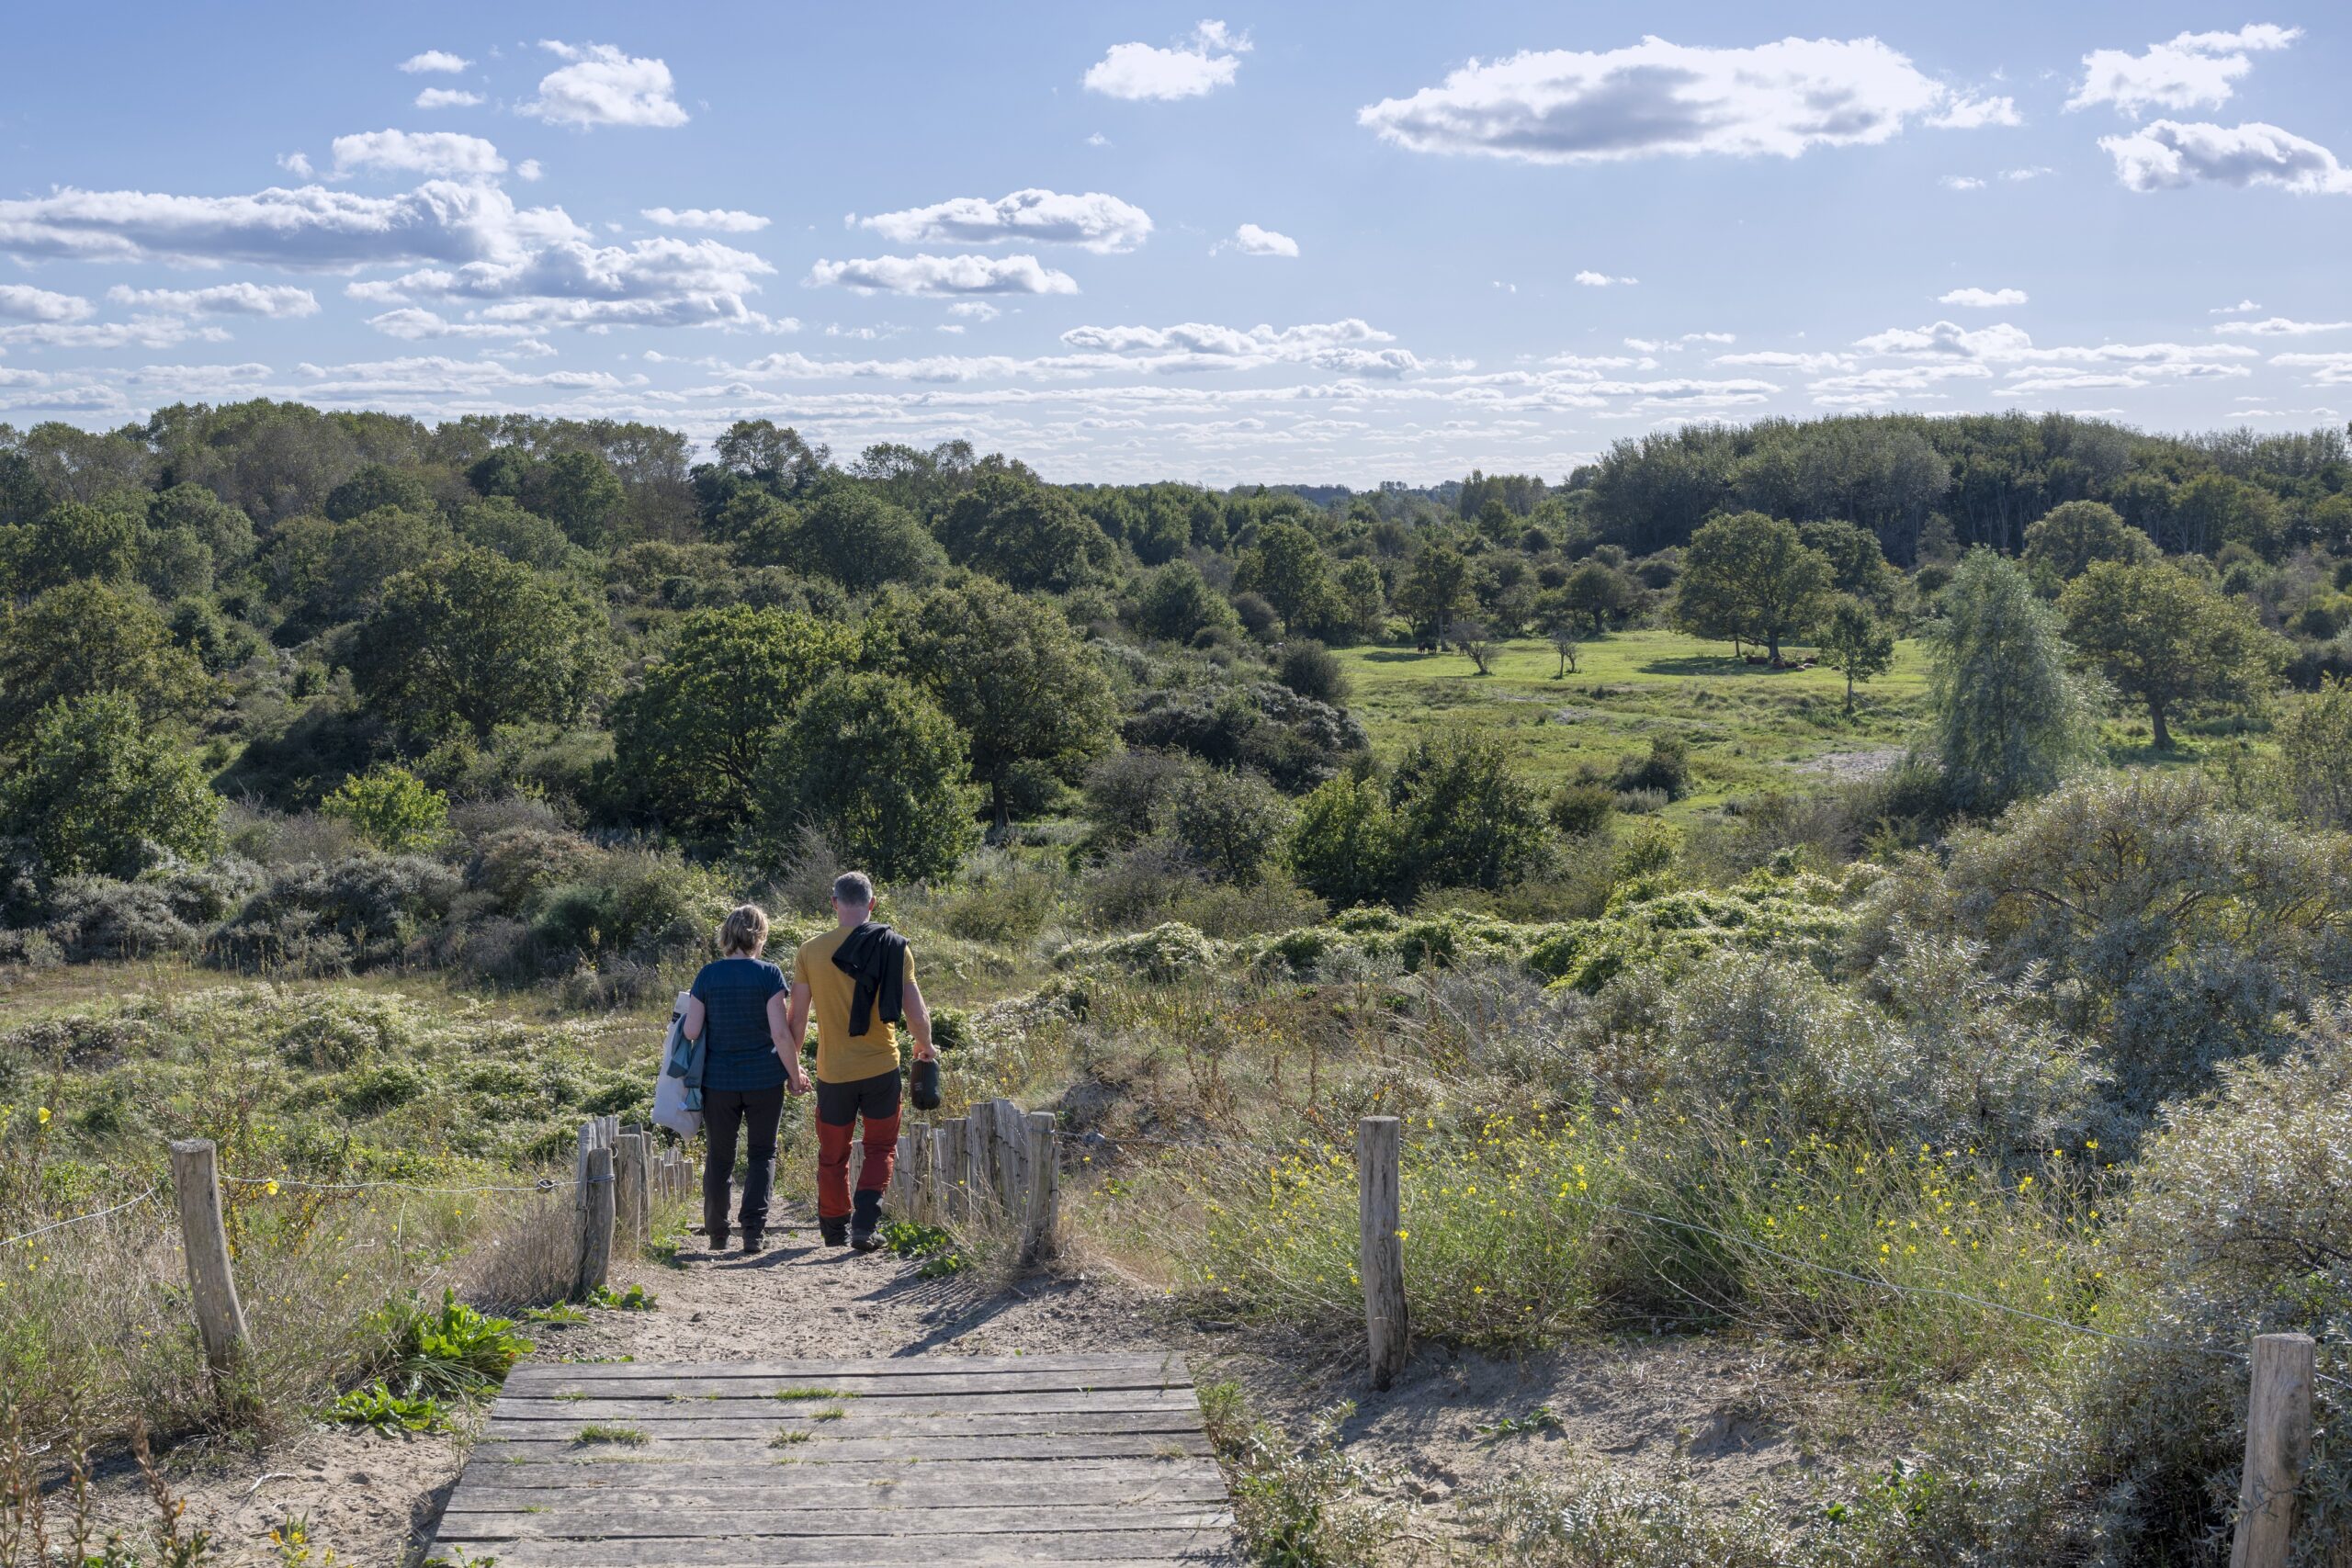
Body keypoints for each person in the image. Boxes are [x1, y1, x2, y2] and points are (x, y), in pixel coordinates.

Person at [786, 871, 937, 1251]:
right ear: (872, 903)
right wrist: (925, 1046)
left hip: (833, 1072)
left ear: (834, 903)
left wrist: (793, 1065)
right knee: (880, 1148)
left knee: (833, 1153)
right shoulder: (895, 947)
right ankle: (865, 1227)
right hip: (881, 1067)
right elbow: (915, 1011)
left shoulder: (810, 951)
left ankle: (835, 1229)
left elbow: (797, 1018)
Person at [680, 904, 808, 1255]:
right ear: (759, 936)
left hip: (717, 1081)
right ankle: (753, 1231)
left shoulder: (707, 975)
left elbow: (691, 1030)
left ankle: (717, 1233)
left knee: (719, 1156)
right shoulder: (768, 974)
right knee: (762, 1153)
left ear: (727, 935)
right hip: (764, 1079)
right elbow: (781, 1036)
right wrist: (795, 1075)